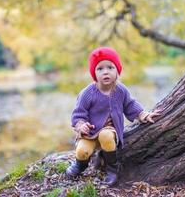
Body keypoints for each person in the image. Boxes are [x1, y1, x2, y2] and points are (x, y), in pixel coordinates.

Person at [65, 47, 161, 186]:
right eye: (100, 69)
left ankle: (112, 168)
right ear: (94, 74)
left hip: (110, 131)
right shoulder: (88, 93)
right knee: (82, 151)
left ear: (117, 71)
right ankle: (80, 165)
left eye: (110, 67)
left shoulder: (120, 90)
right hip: (90, 132)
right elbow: (79, 113)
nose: (105, 72)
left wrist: (142, 114)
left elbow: (130, 105)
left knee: (106, 135)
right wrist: (81, 125)